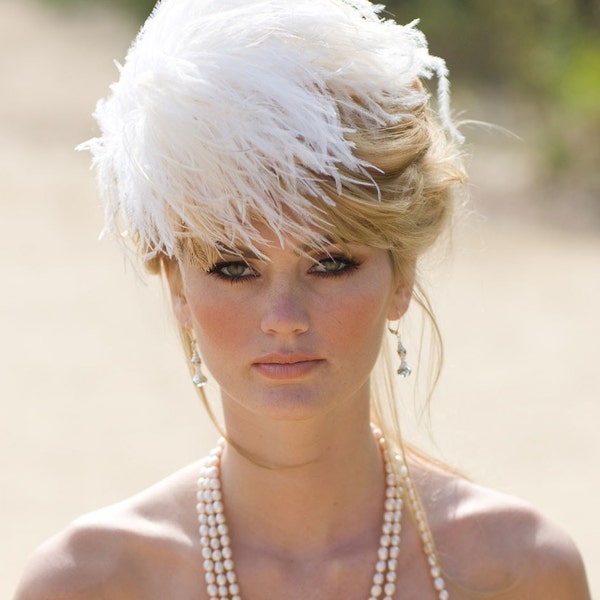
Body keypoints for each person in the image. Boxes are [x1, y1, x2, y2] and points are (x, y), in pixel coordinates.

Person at [14, 0, 591, 598]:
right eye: (235, 268)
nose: (284, 319)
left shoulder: (519, 571)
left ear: (401, 279)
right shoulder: (87, 582)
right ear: (179, 287)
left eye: (332, 263)